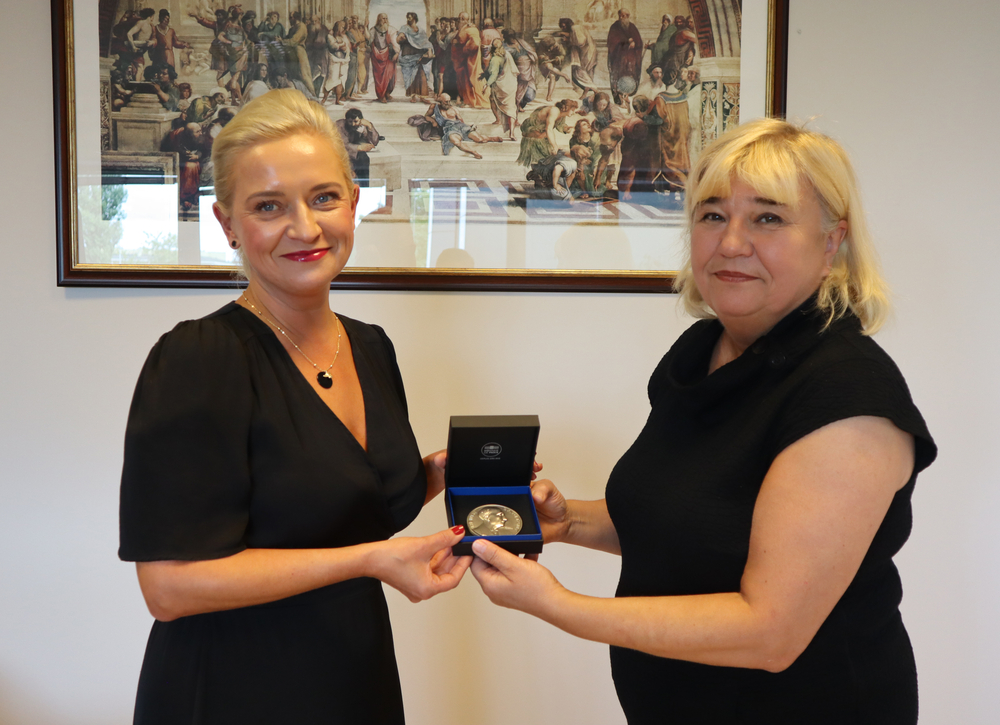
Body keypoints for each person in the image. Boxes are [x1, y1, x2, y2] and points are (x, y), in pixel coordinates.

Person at [470, 118, 937, 725]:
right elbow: (703, 520)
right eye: (712, 215)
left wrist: (559, 606)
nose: (732, 242)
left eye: (768, 218)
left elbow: (768, 632)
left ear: (831, 243)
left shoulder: (847, 395)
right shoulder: (704, 353)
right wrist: (569, 522)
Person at [119, 89, 473, 724]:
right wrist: (370, 560)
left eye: (324, 197)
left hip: (352, 680)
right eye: (268, 207)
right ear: (228, 225)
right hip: (233, 690)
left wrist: (436, 477)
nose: (305, 228)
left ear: (354, 203)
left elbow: (334, 505)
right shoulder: (199, 358)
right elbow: (168, 587)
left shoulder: (371, 347)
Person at [516, 98, 578, 168]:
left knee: (548, 153)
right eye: (572, 110)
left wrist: (566, 129)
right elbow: (549, 129)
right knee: (545, 153)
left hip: (542, 133)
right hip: (532, 131)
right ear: (566, 108)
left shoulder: (562, 114)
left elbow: (560, 125)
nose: (574, 112)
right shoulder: (554, 111)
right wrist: (555, 145)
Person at [483, 38, 518, 139]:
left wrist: (487, 85)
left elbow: (493, 75)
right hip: (511, 84)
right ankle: (512, 133)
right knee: (511, 107)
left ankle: (498, 119)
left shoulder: (495, 59)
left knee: (492, 99)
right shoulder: (507, 54)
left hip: (501, 85)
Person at [452, 12, 489, 108]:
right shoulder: (465, 28)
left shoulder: (471, 29)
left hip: (470, 59)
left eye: (460, 19)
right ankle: (468, 100)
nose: (459, 21)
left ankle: (477, 101)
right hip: (464, 59)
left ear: (464, 19)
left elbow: (475, 43)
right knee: (465, 80)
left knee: (473, 78)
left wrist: (465, 49)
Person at [606, 9, 643, 104]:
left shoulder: (632, 27)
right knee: (618, 78)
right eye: (621, 15)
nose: (622, 18)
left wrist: (635, 42)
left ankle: (628, 98)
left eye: (624, 15)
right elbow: (612, 41)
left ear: (628, 16)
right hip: (618, 60)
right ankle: (619, 99)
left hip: (631, 60)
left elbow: (639, 41)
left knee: (630, 77)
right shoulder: (614, 27)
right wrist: (627, 41)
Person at [336, 107, 380, 184]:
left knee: (363, 158)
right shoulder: (339, 126)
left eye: (355, 121)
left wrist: (369, 126)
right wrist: (359, 147)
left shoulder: (363, 125)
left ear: (361, 120)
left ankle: (364, 188)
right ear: (346, 120)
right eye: (350, 122)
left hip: (354, 152)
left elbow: (375, 142)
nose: (353, 124)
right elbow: (341, 145)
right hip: (340, 153)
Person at [397, 12, 435, 98]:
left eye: (410, 18)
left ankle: (422, 95)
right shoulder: (404, 28)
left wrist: (429, 49)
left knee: (421, 76)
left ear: (414, 18)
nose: (408, 19)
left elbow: (426, 42)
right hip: (408, 54)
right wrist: (401, 38)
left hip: (418, 56)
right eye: (408, 18)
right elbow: (398, 39)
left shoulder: (420, 30)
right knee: (409, 77)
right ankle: (413, 95)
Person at [370, 14, 399, 103]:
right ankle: (381, 96)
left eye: (386, 18)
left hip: (389, 55)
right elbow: (370, 42)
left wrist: (397, 52)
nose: (385, 20)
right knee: (379, 78)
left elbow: (395, 42)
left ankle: (387, 93)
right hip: (376, 56)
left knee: (390, 76)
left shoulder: (391, 30)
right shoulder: (373, 30)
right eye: (383, 18)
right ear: (379, 19)